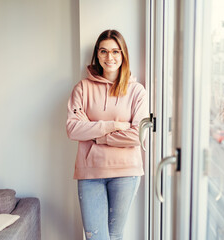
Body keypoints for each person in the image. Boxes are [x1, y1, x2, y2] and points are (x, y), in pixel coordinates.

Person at [66, 29, 148, 240]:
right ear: (97, 54)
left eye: (115, 51)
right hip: (89, 174)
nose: (109, 57)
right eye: (103, 51)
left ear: (123, 55)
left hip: (125, 173)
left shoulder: (137, 91)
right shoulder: (82, 88)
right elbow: (73, 129)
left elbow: (137, 136)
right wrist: (114, 125)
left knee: (115, 235)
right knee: (95, 237)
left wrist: (95, 135)